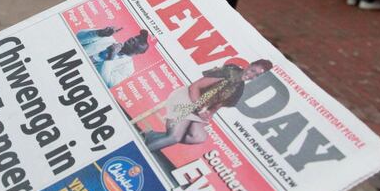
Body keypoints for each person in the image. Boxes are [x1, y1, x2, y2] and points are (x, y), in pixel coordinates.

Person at [137, 61, 272, 151]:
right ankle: (140, 152)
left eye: (257, 75)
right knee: (174, 137)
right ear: (249, 65)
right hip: (187, 99)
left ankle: (153, 136)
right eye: (253, 70)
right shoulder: (230, 71)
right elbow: (195, 87)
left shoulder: (240, 88)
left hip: (199, 109)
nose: (252, 75)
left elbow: (219, 104)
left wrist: (209, 114)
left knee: (199, 137)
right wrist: (199, 108)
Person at [77, 27, 150, 88]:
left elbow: (108, 84)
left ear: (140, 52)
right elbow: (77, 37)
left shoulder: (128, 68)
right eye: (137, 37)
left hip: (82, 79)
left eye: (140, 42)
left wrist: (110, 58)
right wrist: (99, 33)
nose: (134, 39)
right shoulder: (107, 38)